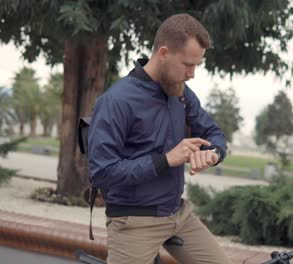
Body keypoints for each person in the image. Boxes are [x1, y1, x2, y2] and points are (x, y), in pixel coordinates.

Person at [87, 13, 231, 264]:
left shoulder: (182, 93)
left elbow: (214, 134)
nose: (192, 74)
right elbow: (101, 172)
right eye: (187, 64)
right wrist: (165, 160)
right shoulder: (116, 101)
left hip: (178, 214)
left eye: (197, 65)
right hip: (134, 221)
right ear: (163, 53)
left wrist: (213, 154)